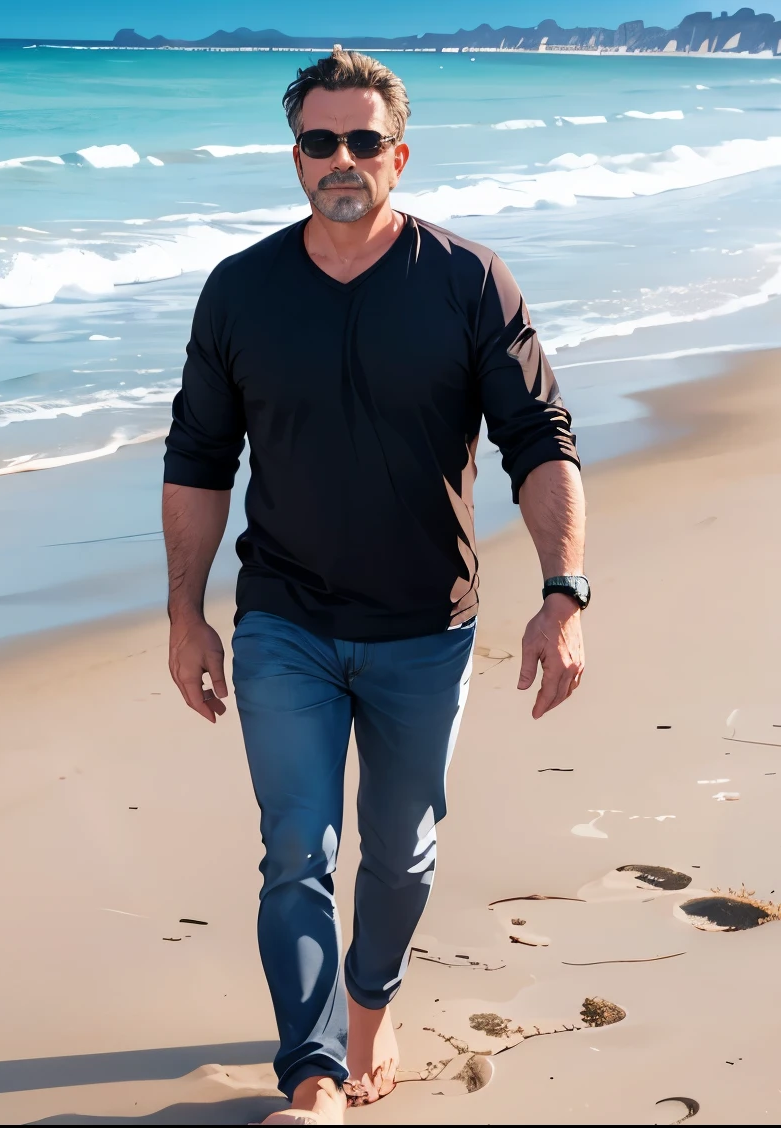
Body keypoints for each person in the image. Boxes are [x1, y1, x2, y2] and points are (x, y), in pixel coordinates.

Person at [160, 49, 589, 1126]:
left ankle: (370, 1004)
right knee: (295, 849)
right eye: (319, 141)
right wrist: (184, 615)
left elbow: (538, 438)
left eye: (362, 142)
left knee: (399, 851)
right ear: (294, 156)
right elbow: (198, 459)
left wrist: (563, 590)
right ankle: (311, 1079)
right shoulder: (241, 291)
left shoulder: (464, 280)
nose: (340, 160)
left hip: (421, 627)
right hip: (284, 622)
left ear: (398, 156)